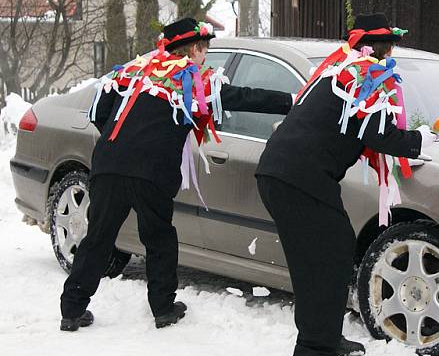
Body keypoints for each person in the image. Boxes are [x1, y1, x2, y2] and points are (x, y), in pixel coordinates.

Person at [59, 18, 293, 331]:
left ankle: (72, 310)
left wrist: (123, 146)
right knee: (158, 239)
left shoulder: (135, 71)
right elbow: (240, 96)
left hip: (109, 165)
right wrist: (290, 101)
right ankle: (163, 308)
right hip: (151, 171)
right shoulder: (190, 79)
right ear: (195, 48)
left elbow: (101, 112)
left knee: (99, 238)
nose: (205, 57)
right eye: (205, 50)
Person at [256, 13, 439, 356]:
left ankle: (322, 337)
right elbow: (378, 134)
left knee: (323, 256)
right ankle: (313, 352)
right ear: (379, 47)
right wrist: (420, 139)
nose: (392, 55)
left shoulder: (341, 67)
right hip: (301, 178)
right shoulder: (365, 73)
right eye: (390, 47)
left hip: (281, 173)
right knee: (327, 258)